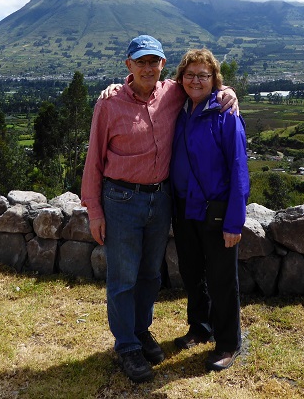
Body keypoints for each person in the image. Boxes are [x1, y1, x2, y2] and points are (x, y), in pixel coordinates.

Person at [81, 35, 237, 383]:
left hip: (161, 198)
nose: (148, 68)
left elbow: (205, 85)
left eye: (154, 62)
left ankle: (140, 330)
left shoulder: (172, 92)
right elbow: (93, 160)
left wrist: (228, 93)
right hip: (121, 200)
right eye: (141, 62)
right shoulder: (108, 104)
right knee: (122, 278)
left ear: (164, 66)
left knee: (151, 274)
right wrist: (94, 210)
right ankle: (126, 346)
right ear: (129, 66)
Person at [169, 48, 249, 371]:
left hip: (216, 211)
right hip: (185, 208)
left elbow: (239, 168)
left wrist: (235, 222)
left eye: (204, 75)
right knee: (191, 272)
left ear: (216, 79)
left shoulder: (226, 114)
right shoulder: (180, 109)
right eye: (190, 75)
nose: (196, 80)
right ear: (181, 79)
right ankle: (200, 328)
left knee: (221, 279)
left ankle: (229, 342)